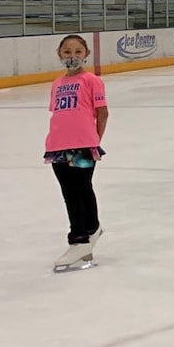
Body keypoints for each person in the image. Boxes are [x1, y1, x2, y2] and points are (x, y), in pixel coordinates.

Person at [47, 35, 109, 272]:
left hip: (82, 145)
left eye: (77, 51)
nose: (72, 56)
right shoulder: (57, 84)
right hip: (57, 146)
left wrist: (94, 140)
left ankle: (80, 238)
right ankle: (90, 229)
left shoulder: (92, 81)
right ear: (59, 54)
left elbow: (102, 113)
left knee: (81, 188)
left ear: (86, 55)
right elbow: (59, 114)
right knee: (69, 192)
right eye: (67, 52)